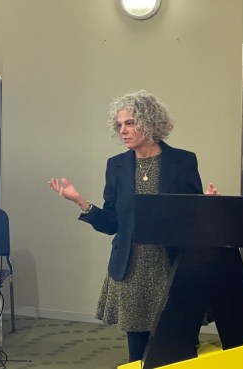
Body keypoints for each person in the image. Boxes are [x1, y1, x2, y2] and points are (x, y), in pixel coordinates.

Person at [48, 90, 219, 362]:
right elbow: (112, 223)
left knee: (181, 347)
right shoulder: (116, 166)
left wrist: (205, 205)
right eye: (119, 125)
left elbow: (191, 217)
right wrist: (80, 201)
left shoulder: (183, 161)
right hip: (132, 270)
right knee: (138, 353)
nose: (123, 131)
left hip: (171, 266)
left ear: (149, 123)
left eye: (129, 123)